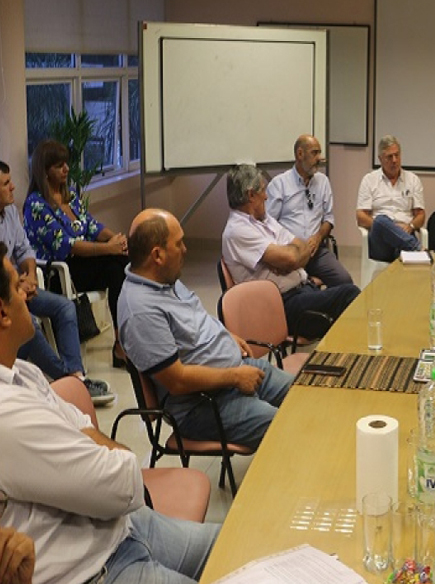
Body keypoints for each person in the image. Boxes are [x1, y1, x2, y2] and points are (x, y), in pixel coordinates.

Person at [0, 244, 220, 583]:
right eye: (18, 286)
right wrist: (108, 454)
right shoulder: (7, 415)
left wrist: (89, 446)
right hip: (95, 570)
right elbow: (122, 483)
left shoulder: (24, 373)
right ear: (3, 313)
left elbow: (82, 426)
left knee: (238, 546)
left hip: (124, 527)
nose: (28, 292)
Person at [119, 208, 294, 449]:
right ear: (157, 255)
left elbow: (195, 320)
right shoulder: (140, 311)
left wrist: (225, 336)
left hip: (233, 374)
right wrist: (235, 377)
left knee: (305, 395)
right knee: (290, 427)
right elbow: (177, 381)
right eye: (178, 244)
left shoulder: (164, 279)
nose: (185, 249)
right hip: (202, 403)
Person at [0, 161, 114, 404]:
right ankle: (69, 381)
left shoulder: (9, 212)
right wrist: (17, 287)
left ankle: (77, 375)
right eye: (6, 183)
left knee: (64, 307)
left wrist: (31, 276)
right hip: (6, 295)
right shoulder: (36, 204)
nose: (13, 187)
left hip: (20, 285)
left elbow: (24, 250)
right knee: (28, 321)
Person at [23, 139, 129, 369]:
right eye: (59, 165)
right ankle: (121, 346)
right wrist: (109, 248)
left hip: (82, 265)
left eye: (66, 163)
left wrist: (117, 241)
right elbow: (67, 245)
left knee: (120, 265)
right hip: (59, 272)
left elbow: (92, 227)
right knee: (116, 263)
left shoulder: (70, 195)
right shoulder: (36, 205)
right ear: (45, 171)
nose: (66, 169)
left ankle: (122, 342)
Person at [223, 164, 359, 340]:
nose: (266, 196)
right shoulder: (238, 230)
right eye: (263, 190)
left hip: (303, 290)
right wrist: (290, 257)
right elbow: (292, 257)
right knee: (349, 295)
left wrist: (289, 259)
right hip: (281, 306)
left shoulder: (264, 220)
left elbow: (300, 247)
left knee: (345, 299)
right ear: (251, 195)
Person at [266, 134, 353, 287]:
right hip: (290, 252)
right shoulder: (279, 184)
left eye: (319, 153)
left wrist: (318, 237)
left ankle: (311, 283)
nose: (319, 158)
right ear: (300, 154)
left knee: (345, 282)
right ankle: (309, 283)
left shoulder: (323, 182)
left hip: (316, 252)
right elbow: (268, 224)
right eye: (314, 153)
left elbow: (329, 219)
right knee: (290, 287)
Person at [356, 135, 425, 262]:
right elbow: (361, 217)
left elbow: (420, 215)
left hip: (405, 234)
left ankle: (412, 248)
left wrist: (410, 226)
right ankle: (417, 249)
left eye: (397, 155)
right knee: (381, 220)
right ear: (380, 159)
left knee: (402, 248)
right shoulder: (369, 180)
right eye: (389, 157)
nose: (394, 160)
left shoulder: (413, 180)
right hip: (380, 242)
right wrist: (388, 228)